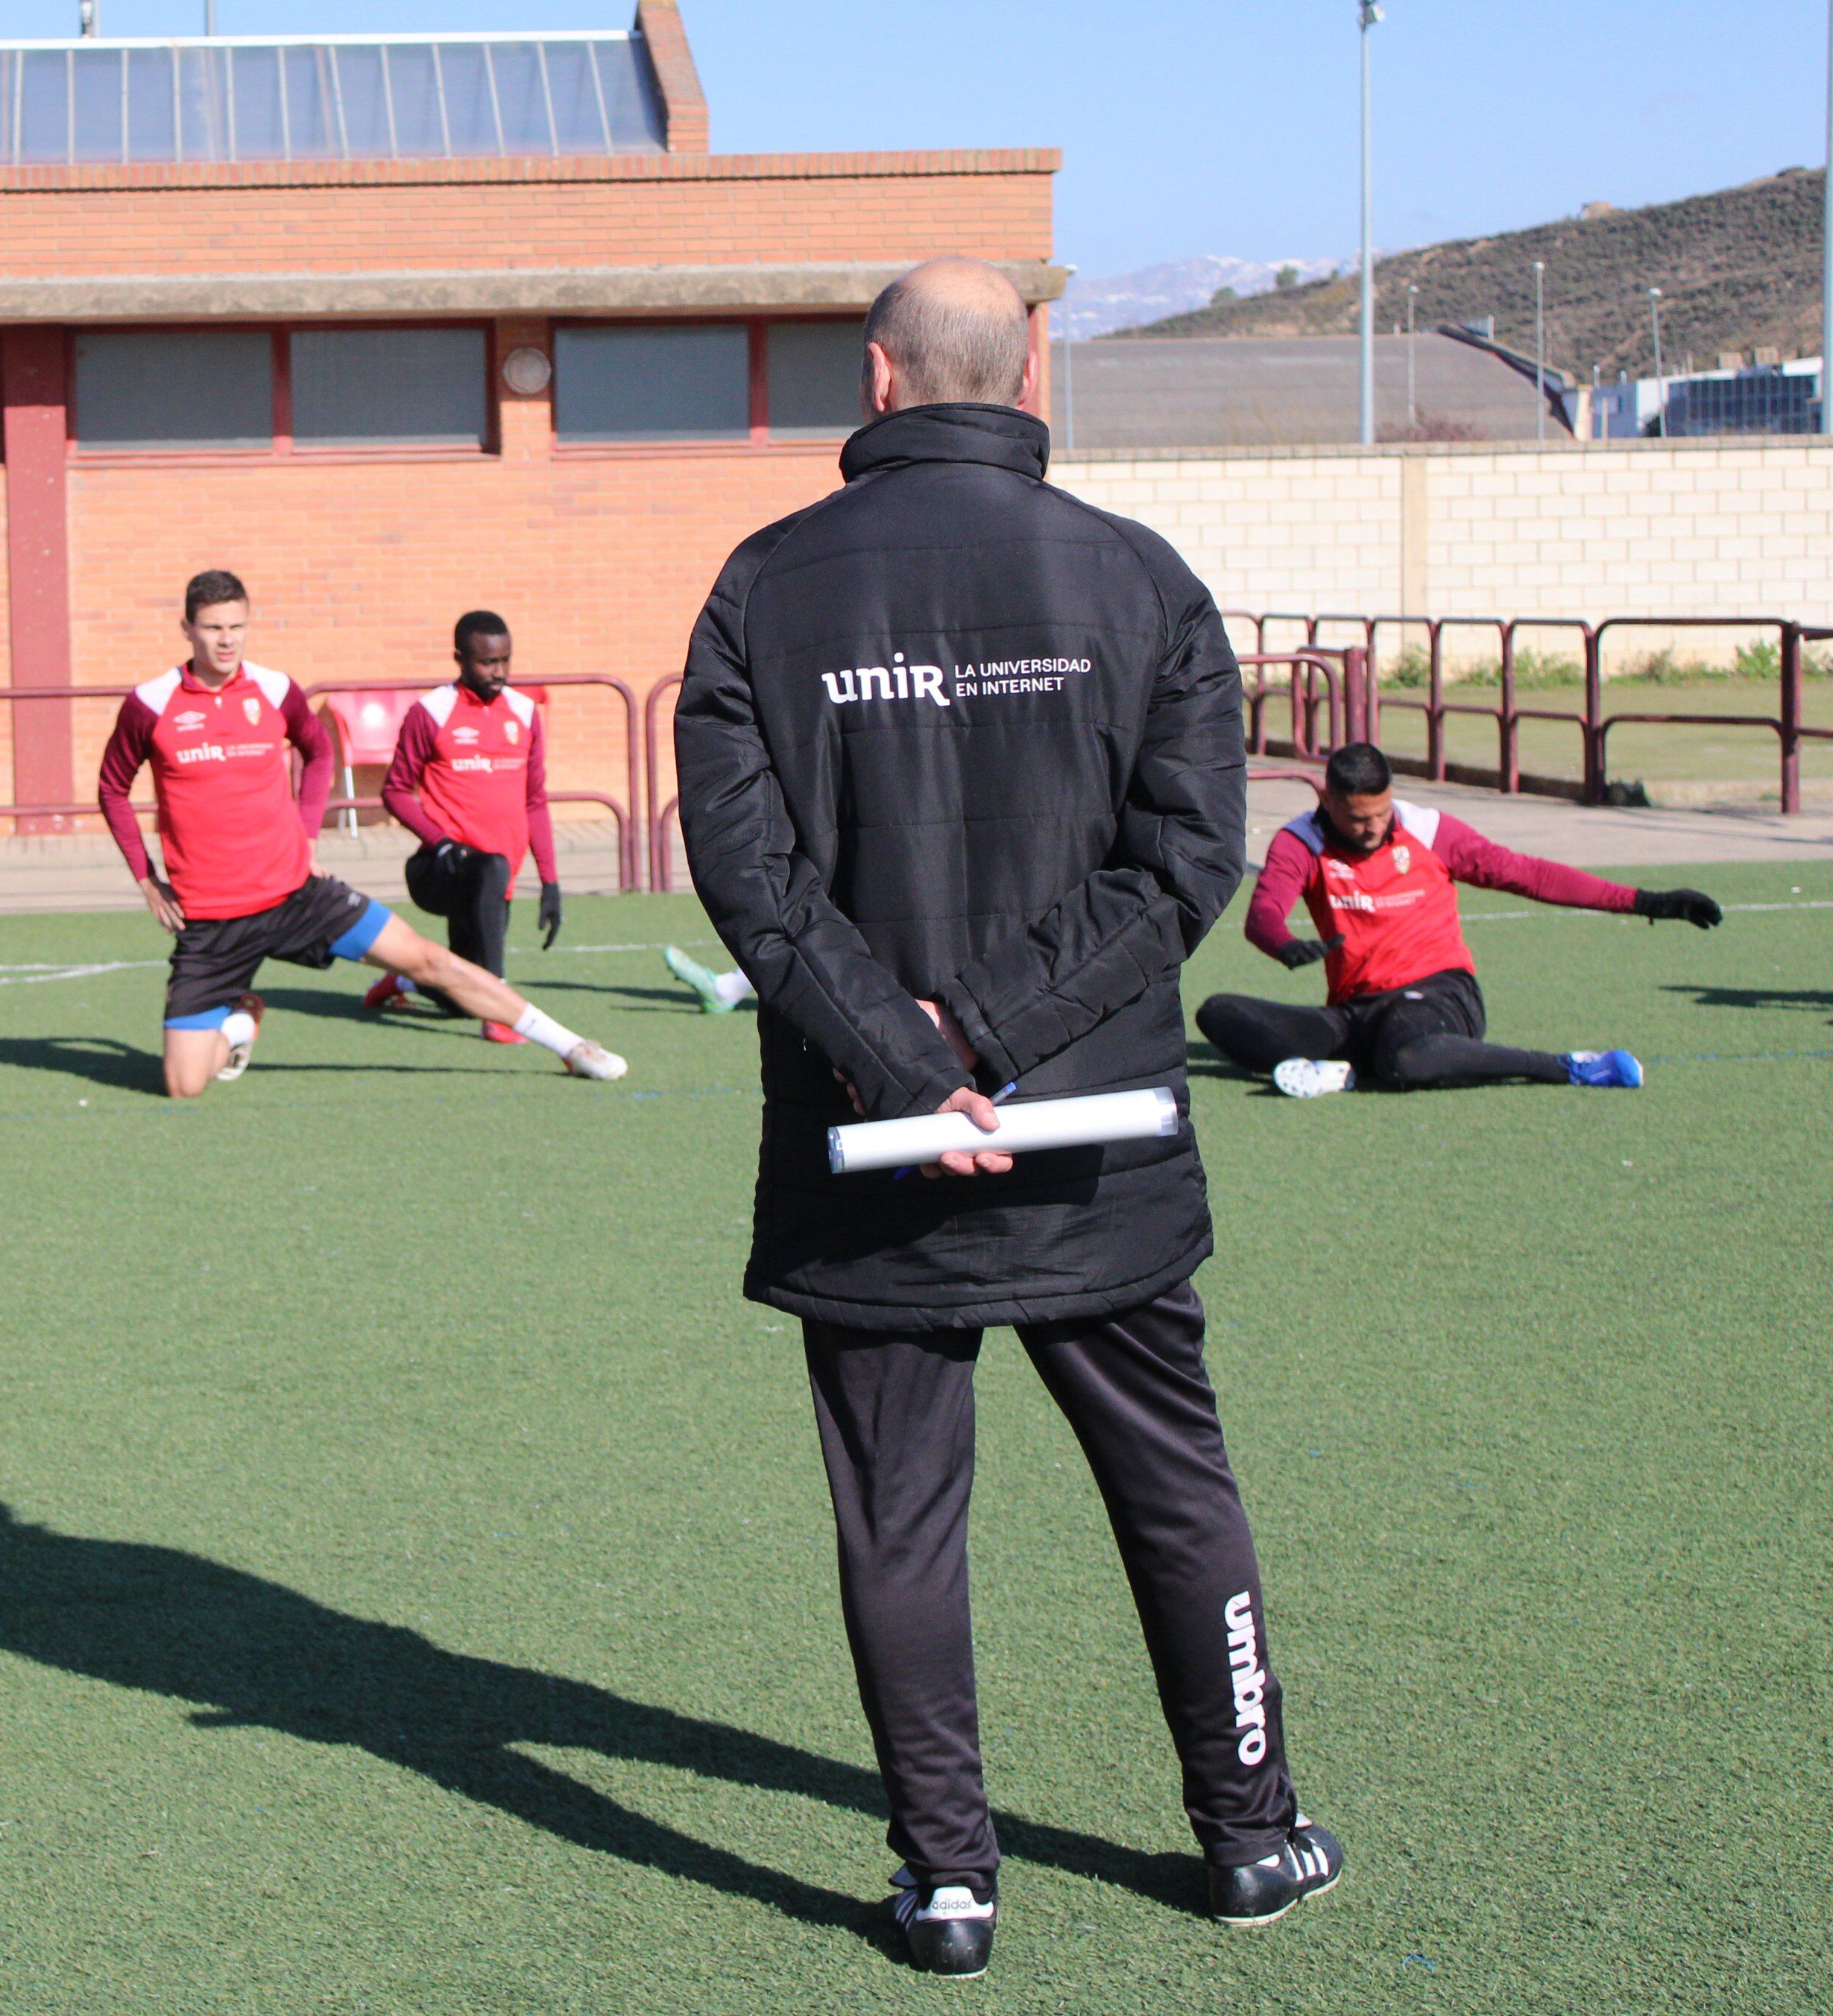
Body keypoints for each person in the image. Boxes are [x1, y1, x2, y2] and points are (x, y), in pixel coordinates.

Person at [675, 258, 1339, 1976]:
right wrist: (987, 1041)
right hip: (1092, 1132)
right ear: (1027, 366)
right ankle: (1252, 1837)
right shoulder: (1140, 576)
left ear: (881, 383)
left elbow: (747, 881)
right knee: (1176, 1487)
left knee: (899, 1515)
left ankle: (948, 1880)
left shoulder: (761, 584)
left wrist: (915, 1058)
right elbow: (1186, 861)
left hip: (867, 1140)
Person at [95, 570, 625, 1098]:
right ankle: (240, 1021)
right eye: (213, 627)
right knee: (183, 1085)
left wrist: (306, 840)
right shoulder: (152, 703)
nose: (227, 639)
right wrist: (146, 879)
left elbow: (319, 751)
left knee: (430, 960)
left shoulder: (275, 689)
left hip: (295, 893)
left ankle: (573, 1046)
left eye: (237, 625)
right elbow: (112, 787)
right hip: (209, 920)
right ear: (187, 628)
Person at [1196, 742, 1722, 1096]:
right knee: (1219, 1012)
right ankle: (1327, 1070)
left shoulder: (1429, 830)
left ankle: (1566, 1064)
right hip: (1357, 1012)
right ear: (1328, 800)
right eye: (1358, 818)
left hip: (1441, 996)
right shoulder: (1301, 841)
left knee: (1408, 1058)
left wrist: (1649, 902)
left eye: (1382, 813)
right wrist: (1283, 944)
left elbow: (1529, 875)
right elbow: (1264, 912)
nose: (1374, 827)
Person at [365, 610, 563, 1043]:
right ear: (460, 659)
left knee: (461, 995)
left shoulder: (525, 713)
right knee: (490, 868)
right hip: (441, 870)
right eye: (487, 662)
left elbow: (534, 800)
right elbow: (395, 791)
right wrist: (441, 843)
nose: (499, 672)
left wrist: (549, 881)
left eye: (505, 661)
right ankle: (502, 1014)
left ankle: (403, 982)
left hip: (496, 883)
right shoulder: (431, 712)